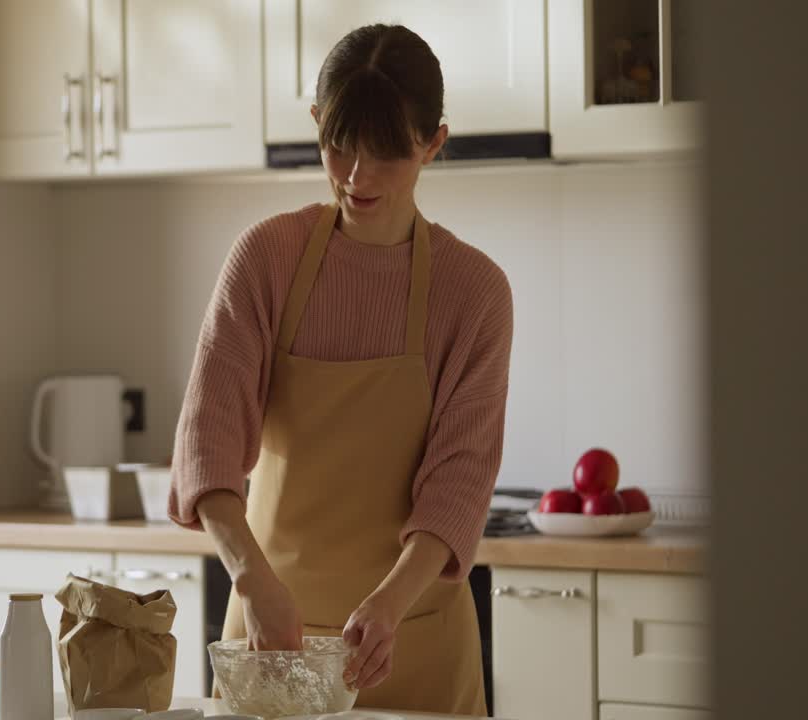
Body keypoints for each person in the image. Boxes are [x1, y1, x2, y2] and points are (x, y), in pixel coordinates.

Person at [167, 24, 513, 715]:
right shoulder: (265, 259)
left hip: (410, 640)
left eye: (386, 152)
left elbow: (459, 484)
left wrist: (390, 603)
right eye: (340, 144)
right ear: (318, 122)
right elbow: (206, 444)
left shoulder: (474, 291)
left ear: (433, 143)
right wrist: (250, 580)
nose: (357, 175)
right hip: (270, 638)